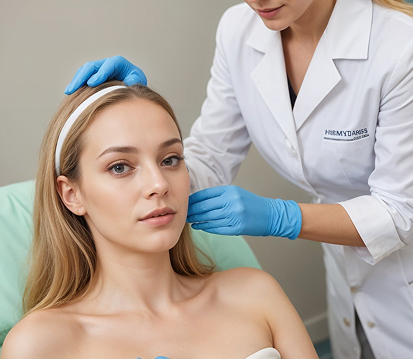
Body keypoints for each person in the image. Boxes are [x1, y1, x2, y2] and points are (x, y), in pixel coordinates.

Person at [63, 0, 413, 358]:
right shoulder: (238, 31)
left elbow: (401, 212)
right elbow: (211, 157)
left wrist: (284, 218)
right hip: (346, 282)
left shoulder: (404, 49)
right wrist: (137, 115)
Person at [1, 82, 319, 359]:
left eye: (170, 159)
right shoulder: (38, 344)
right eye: (119, 167)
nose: (159, 184)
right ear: (72, 195)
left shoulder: (255, 294)